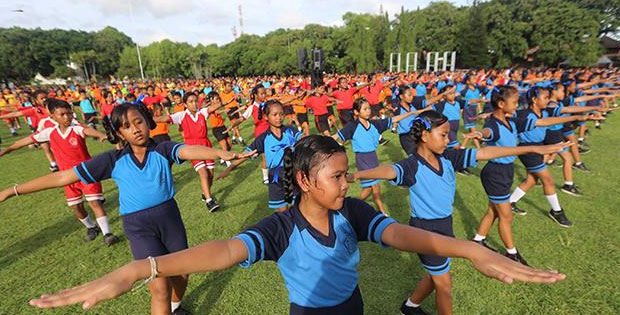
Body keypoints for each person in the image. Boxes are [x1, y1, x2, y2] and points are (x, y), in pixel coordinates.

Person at [26, 135, 566, 315]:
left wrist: (473, 251)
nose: (345, 183)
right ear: (305, 182)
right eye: (336, 176)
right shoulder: (281, 227)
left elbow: (406, 235)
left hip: (352, 307)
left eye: (346, 174)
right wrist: (140, 269)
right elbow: (222, 251)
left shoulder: (351, 211)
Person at [0, 103, 253, 315]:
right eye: (126, 126)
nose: (135, 129)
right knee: (159, 286)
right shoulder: (112, 160)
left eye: (138, 121)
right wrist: (13, 190)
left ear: (147, 121)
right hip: (139, 226)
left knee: (182, 273)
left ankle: (176, 307)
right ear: (119, 133)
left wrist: (222, 153)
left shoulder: (163, 149)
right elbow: (62, 177)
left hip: (170, 218)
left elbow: (189, 150)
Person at [347, 110, 570, 315]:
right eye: (443, 135)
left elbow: (487, 152)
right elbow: (389, 170)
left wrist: (530, 148)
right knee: (445, 284)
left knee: (438, 274)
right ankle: (411, 306)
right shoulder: (412, 166)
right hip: (425, 231)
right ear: (425, 135)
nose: (448, 139)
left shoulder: (449, 158)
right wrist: (359, 175)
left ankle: (410, 306)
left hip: (446, 225)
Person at [0, 99, 120, 245]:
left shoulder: (76, 128)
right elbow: (24, 141)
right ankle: (91, 227)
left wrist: (102, 136)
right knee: (76, 207)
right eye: (62, 114)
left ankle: (108, 234)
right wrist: (6, 150)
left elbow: (88, 130)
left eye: (69, 113)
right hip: (66, 178)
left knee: (95, 202)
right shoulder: (49, 132)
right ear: (52, 116)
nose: (67, 117)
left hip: (86, 173)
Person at [509, 86, 604, 227]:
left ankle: (510, 202)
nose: (548, 100)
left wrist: (588, 111)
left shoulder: (546, 111)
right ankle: (557, 211)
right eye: (545, 98)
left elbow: (567, 110)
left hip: (540, 147)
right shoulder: (523, 114)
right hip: (528, 150)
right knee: (549, 181)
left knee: (532, 180)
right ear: (534, 100)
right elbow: (506, 118)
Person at [334, 98, 421, 215]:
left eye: (369, 108)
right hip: (363, 159)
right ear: (356, 112)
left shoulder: (375, 124)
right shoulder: (352, 126)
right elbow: (336, 136)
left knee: (368, 188)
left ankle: (348, 208)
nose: (368, 111)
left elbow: (393, 119)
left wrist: (410, 113)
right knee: (375, 186)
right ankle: (383, 213)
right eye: (365, 109)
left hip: (373, 157)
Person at [218, 101, 302, 212]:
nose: (279, 118)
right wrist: (229, 168)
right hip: (275, 178)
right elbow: (245, 155)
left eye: (281, 114)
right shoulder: (263, 139)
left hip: (293, 174)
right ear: (266, 117)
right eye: (275, 115)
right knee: (284, 214)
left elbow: (303, 139)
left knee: (300, 209)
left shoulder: (290, 131)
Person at [153, 93, 223, 212]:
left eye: (195, 101)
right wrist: (149, 118)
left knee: (210, 174)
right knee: (203, 172)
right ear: (185, 104)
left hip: (206, 145)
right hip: (192, 148)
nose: (194, 103)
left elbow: (213, 107)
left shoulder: (202, 112)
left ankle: (205, 193)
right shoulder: (181, 115)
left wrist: (223, 101)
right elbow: (165, 118)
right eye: (190, 102)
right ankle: (209, 201)